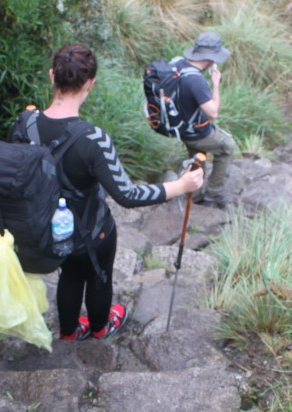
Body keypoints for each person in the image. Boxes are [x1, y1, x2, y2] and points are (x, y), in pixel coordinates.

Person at [19, 44, 203, 341]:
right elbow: (127, 196)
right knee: (98, 277)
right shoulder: (93, 139)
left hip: (47, 227)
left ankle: (67, 332)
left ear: (52, 75)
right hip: (92, 232)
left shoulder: (25, 123)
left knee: (69, 275)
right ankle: (100, 327)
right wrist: (181, 186)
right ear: (90, 83)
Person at [169, 32, 236, 209]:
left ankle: (194, 194)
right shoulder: (196, 81)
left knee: (197, 158)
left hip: (181, 127)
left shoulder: (177, 64)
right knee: (227, 147)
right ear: (210, 58)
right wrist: (215, 84)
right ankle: (214, 194)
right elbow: (212, 112)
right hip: (196, 132)